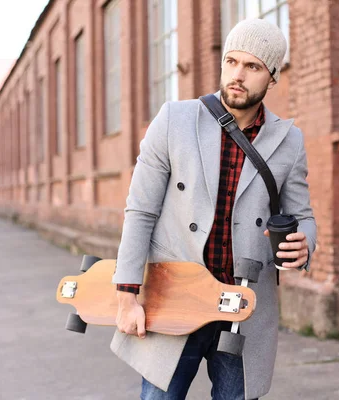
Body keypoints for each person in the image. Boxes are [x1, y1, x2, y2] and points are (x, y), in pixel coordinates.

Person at [111, 18, 317, 400]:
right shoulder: (175, 119)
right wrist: (126, 295)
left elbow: (303, 214)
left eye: (253, 66)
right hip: (176, 297)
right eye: (231, 61)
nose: (237, 75)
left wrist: (306, 245)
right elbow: (140, 211)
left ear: (272, 77)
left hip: (241, 307)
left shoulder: (289, 140)